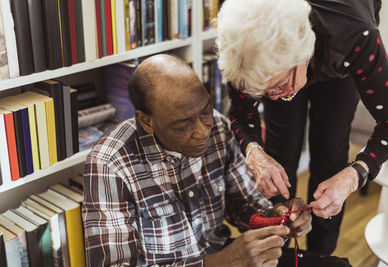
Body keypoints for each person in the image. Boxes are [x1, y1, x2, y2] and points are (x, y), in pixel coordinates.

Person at [81, 54, 351, 266]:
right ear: (147, 121)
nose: (202, 131)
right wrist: (220, 263)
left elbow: (243, 205)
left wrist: (276, 216)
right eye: (183, 123)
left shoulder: (219, 128)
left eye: (206, 111)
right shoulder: (109, 165)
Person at [216, 0, 388, 255]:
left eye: (278, 86)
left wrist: (353, 175)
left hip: (340, 49)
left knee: (331, 156)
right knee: (279, 153)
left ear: (303, 56)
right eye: (261, 91)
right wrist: (254, 152)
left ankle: (320, 256)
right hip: (287, 57)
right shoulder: (241, 35)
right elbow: (240, 112)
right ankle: (278, 252)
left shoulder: (357, 34)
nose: (272, 96)